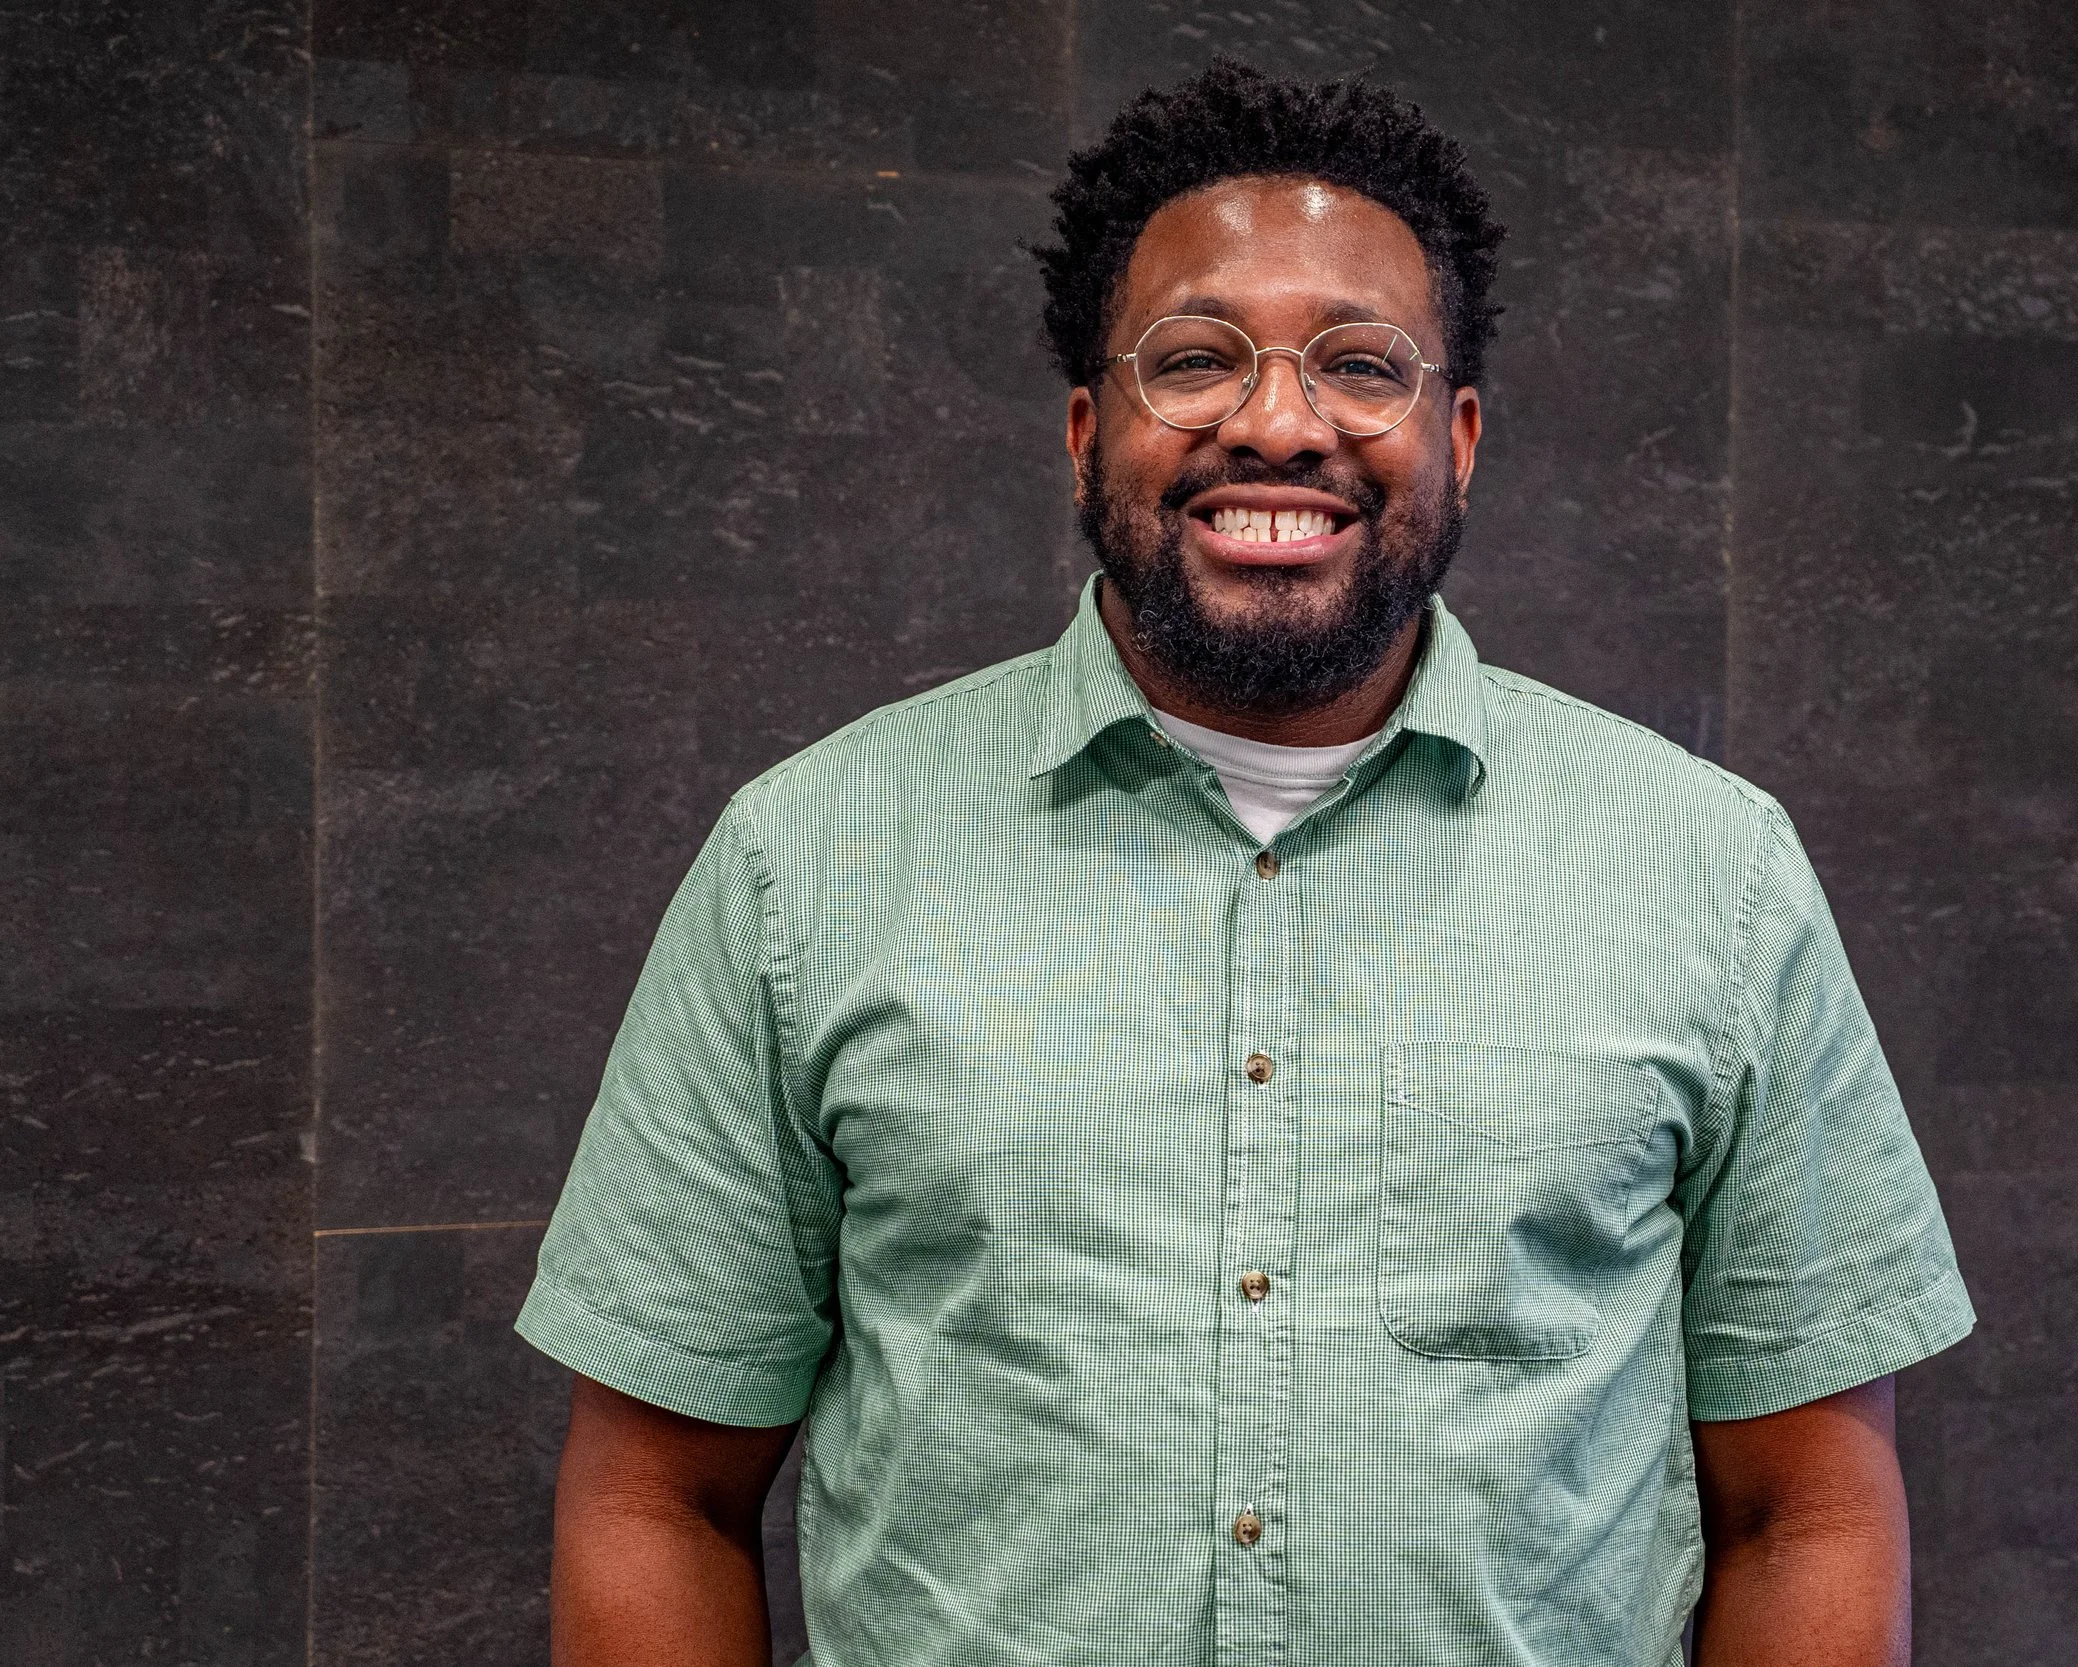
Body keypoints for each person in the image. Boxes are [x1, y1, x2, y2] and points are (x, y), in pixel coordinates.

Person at [518, 59, 1973, 1667]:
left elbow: (1805, 1510)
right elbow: (658, 1494)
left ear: (1459, 437)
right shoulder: (808, 864)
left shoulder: (1708, 872)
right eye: (1197, 359)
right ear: (1088, 432)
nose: (1279, 424)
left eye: (1361, 365)